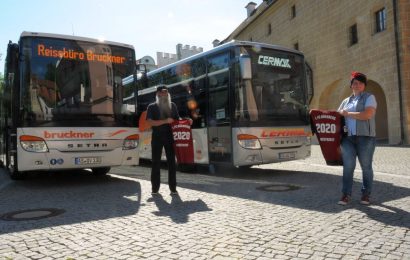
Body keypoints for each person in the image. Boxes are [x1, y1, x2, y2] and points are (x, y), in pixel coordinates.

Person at [337, 72, 377, 205]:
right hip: (347, 138)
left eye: (360, 83)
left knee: (366, 167)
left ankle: (366, 195)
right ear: (351, 86)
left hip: (365, 137)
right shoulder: (345, 101)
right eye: (354, 82)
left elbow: (367, 114)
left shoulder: (369, 97)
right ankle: (345, 195)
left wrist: (347, 114)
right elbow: (337, 117)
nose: (357, 85)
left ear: (364, 85)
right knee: (348, 166)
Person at [146, 85, 180, 195]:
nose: (165, 93)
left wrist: (187, 121)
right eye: (163, 92)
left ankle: (173, 188)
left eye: (166, 92)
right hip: (157, 137)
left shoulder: (173, 105)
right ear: (158, 93)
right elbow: (150, 122)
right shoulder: (152, 106)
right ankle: (155, 189)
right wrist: (165, 121)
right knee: (156, 163)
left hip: (170, 137)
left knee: (172, 163)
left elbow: (177, 120)